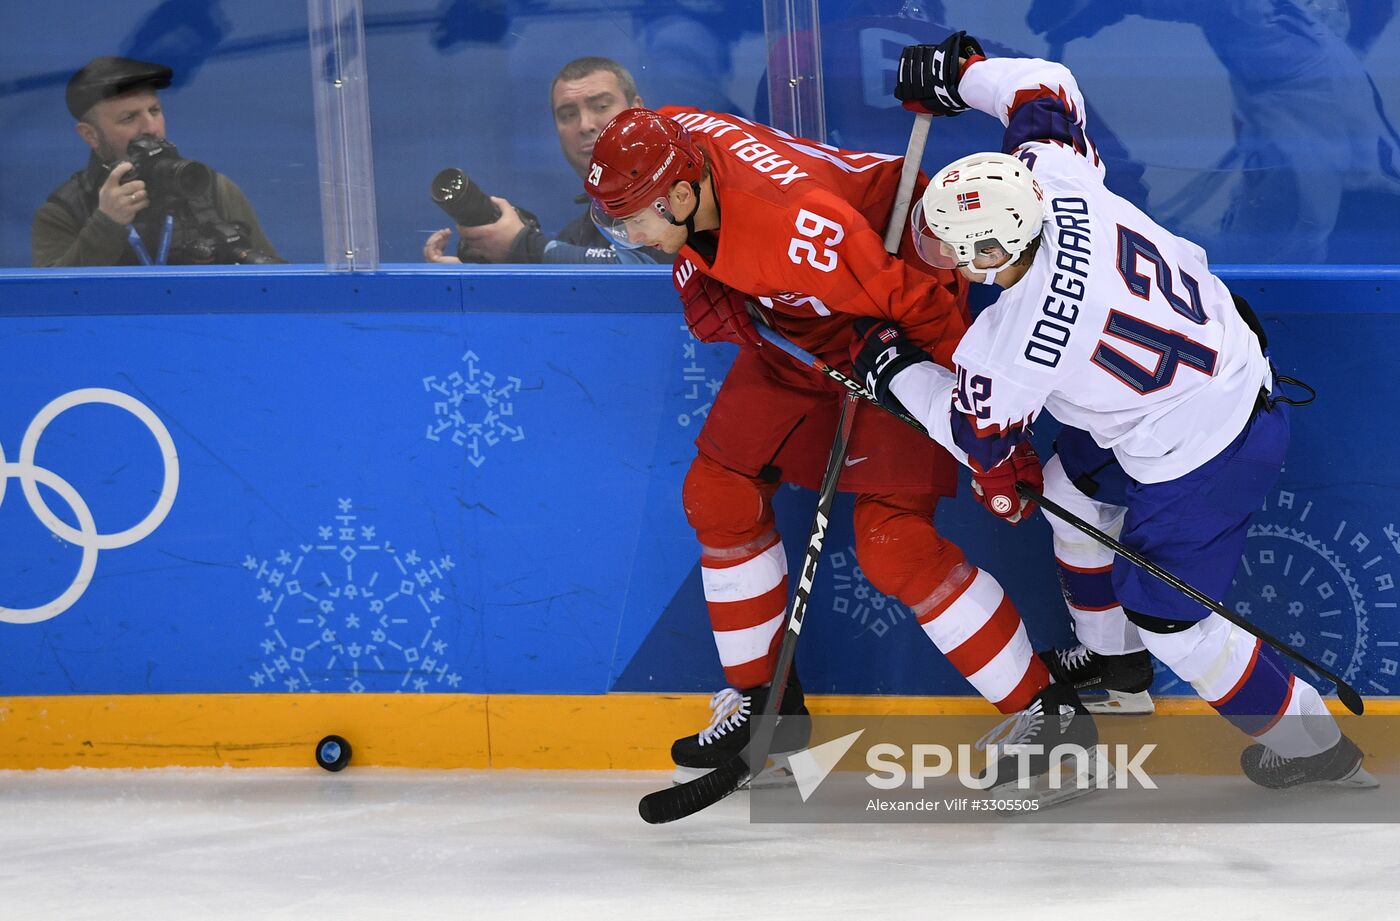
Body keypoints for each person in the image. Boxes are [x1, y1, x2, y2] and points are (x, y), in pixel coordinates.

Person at [849, 33, 1375, 788]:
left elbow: (974, 437)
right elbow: (1040, 84)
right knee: (1070, 495)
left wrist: (889, 366)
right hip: (1221, 363)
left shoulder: (1008, 343)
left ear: (992, 256)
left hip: (1207, 449)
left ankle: (1314, 746)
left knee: (1171, 619)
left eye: (955, 247)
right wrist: (963, 75)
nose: (942, 255)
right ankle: (1114, 663)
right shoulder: (1057, 178)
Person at [586, 99, 1099, 788]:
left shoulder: (797, 231)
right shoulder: (671, 135)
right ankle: (765, 708)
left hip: (890, 316)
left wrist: (992, 433)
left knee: (894, 543)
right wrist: (699, 267)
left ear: (681, 194)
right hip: (798, 317)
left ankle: (1050, 716)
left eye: (633, 218)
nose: (628, 232)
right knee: (718, 492)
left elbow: (923, 306)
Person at [33, 56, 282, 267]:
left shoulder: (209, 187)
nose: (151, 128)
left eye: (154, 111)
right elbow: (48, 305)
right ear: (90, 135)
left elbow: (275, 278)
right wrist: (106, 223)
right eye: (129, 117)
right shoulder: (63, 212)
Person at [424, 57, 663, 265]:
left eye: (601, 106)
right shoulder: (577, 236)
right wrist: (474, 274)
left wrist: (522, 245)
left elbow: (646, 270)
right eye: (568, 115)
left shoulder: (684, 190)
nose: (585, 125)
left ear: (638, 111)